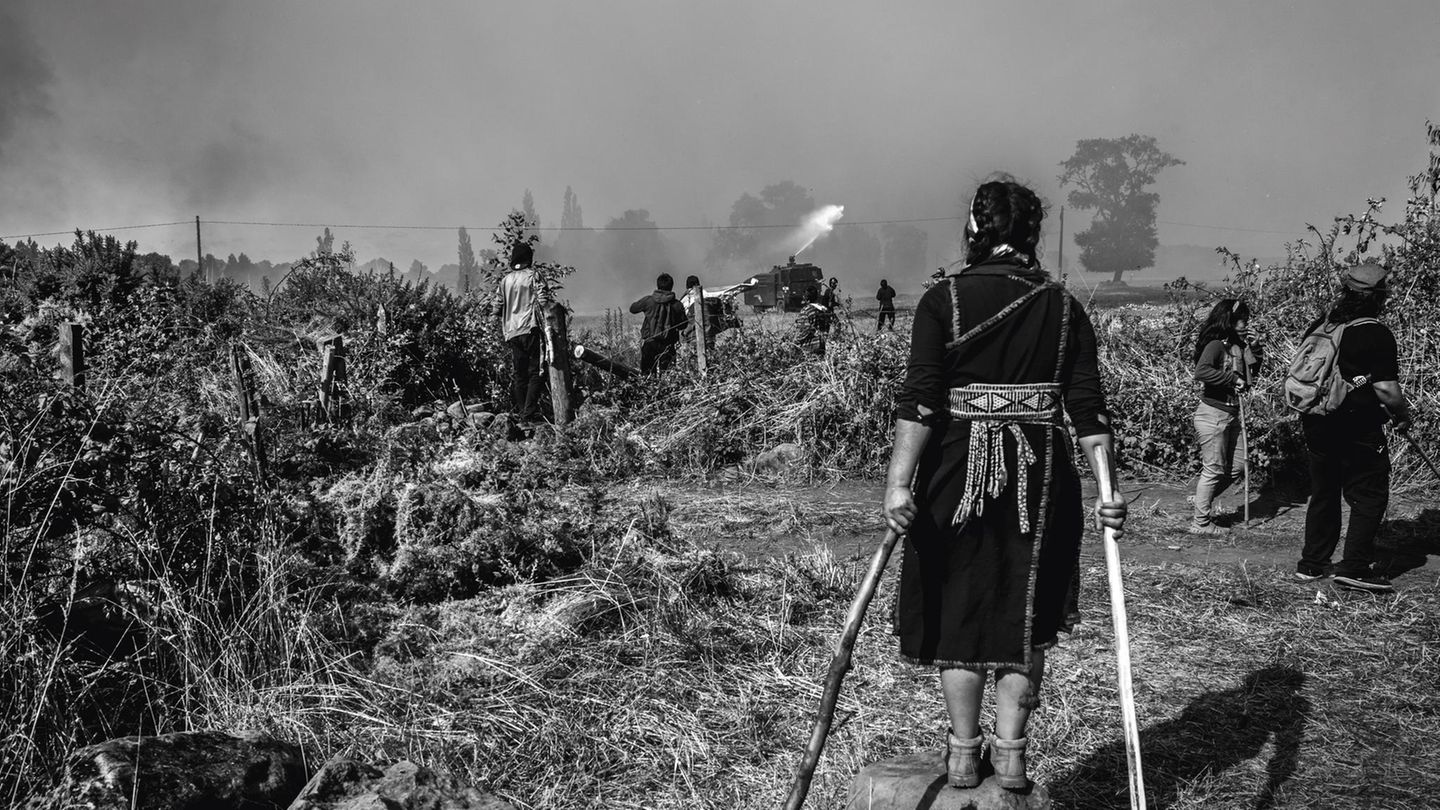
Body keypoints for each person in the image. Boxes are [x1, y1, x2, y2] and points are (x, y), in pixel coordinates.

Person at [882, 176, 1127, 792]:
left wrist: (898, 485)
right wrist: (1108, 491)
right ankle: (1011, 756)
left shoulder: (943, 301)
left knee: (959, 611)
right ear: (1032, 233)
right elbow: (1089, 413)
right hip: (1041, 479)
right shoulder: (1064, 307)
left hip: (954, 475)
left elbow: (920, 403)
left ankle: (964, 755)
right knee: (1027, 612)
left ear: (974, 227)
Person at [1295, 262, 1412, 592]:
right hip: (1357, 427)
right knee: (1370, 495)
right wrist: (1402, 417)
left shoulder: (1325, 325)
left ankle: (1312, 564)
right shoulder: (1375, 332)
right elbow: (1387, 389)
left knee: (1325, 492)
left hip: (1317, 422)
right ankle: (1355, 567)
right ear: (1378, 296)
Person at [1189, 299, 1263, 535]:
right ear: (1228, 321)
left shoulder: (1237, 346)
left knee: (1237, 468)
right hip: (1213, 414)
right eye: (1241, 320)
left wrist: (1256, 348)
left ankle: (1203, 497)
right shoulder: (1215, 345)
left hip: (1231, 414)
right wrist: (1232, 380)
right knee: (1213, 469)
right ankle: (1200, 523)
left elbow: (1250, 374)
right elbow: (1201, 372)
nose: (1245, 324)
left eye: (1246, 320)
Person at [499, 242, 544, 422]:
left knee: (519, 374)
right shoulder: (534, 276)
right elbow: (543, 299)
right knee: (536, 372)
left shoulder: (505, 280)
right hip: (530, 328)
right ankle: (529, 413)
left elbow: (497, 306)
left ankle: (522, 413)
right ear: (529, 258)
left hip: (511, 332)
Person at [629, 272, 687, 373]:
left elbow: (633, 309)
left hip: (649, 343)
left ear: (658, 285)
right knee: (668, 376)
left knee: (647, 375)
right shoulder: (677, 305)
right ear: (671, 286)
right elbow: (683, 325)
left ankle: (649, 388)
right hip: (668, 345)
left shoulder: (648, 301)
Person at [791, 286, 828, 356]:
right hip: (823, 344)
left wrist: (794, 342)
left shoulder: (806, 310)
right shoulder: (823, 309)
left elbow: (804, 330)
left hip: (810, 346)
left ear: (807, 299)